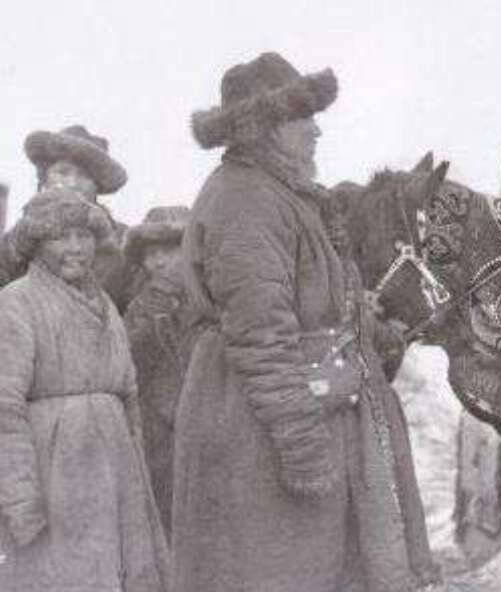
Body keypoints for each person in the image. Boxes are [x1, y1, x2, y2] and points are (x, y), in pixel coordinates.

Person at [173, 52, 441, 592]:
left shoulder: (282, 196)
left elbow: (310, 305)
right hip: (262, 435)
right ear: (263, 129)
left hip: (297, 418)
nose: (317, 131)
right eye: (303, 118)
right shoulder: (245, 202)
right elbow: (261, 338)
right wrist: (301, 446)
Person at [0, 189, 170, 591]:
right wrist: (20, 499)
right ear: (37, 245)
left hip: (116, 471)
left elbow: (128, 393)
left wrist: (136, 471)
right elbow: (4, 409)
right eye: (62, 238)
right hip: (56, 473)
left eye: (84, 236)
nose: (76, 248)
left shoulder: (106, 304)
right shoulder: (16, 303)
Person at [0, 125, 141, 309]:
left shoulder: (123, 241)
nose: (72, 183)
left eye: (83, 176)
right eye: (63, 172)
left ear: (97, 186)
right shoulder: (14, 240)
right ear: (44, 179)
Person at [123, 205, 197, 540]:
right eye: (151, 254)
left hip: (209, 424)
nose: (159, 262)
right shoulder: (141, 306)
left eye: (169, 250)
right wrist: (156, 320)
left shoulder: (215, 299)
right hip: (161, 433)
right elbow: (127, 362)